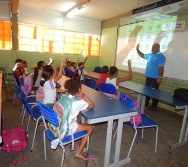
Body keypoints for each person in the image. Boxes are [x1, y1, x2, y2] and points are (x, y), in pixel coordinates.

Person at [64, 78, 94, 161]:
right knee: (90, 128)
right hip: (66, 128)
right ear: (79, 89)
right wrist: (84, 96)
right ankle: (79, 153)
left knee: (79, 120)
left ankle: (71, 143)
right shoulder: (78, 102)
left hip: (58, 124)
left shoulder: (65, 96)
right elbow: (92, 106)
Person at [136, 43, 166, 111]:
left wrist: (160, 77)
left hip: (155, 78)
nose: (152, 48)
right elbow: (142, 55)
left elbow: (161, 68)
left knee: (154, 93)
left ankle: (154, 106)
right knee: (146, 91)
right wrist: (137, 49)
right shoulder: (150, 55)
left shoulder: (161, 57)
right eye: (152, 47)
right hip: (148, 77)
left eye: (154, 47)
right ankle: (145, 103)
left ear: (158, 48)